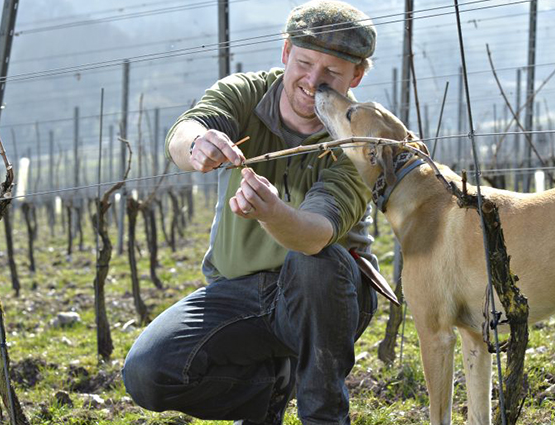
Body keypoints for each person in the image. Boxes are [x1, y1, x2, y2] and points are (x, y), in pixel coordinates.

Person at [122, 1, 380, 424]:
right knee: (149, 373)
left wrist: (273, 213)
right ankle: (270, 389)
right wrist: (197, 145)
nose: (313, 81)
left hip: (331, 297)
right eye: (305, 62)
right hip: (240, 292)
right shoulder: (244, 93)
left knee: (315, 264)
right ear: (285, 53)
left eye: (331, 72)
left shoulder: (358, 140)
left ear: (357, 76)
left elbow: (315, 235)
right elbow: (185, 131)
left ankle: (323, 415)